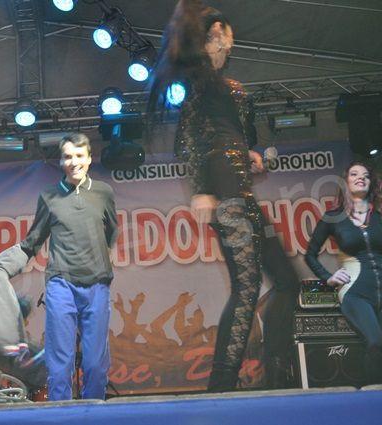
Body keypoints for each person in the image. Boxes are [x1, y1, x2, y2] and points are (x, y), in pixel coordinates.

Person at [148, 0, 299, 391]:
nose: (229, 38)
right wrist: (202, 190)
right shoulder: (200, 83)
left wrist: (249, 156)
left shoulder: (230, 88)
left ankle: (275, 372)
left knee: (287, 281)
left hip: (243, 194)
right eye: (224, 31)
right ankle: (221, 384)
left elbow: (233, 138)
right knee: (246, 287)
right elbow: (188, 142)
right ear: (216, 35)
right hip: (226, 197)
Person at [20, 133, 118, 400]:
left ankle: (93, 410)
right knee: (60, 363)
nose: (74, 162)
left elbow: (111, 230)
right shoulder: (49, 196)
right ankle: (60, 414)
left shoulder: (103, 192)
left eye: (79, 156)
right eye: (67, 157)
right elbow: (33, 240)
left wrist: (103, 258)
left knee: (95, 364)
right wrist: (4, 266)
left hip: (97, 286)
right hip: (61, 284)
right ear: (61, 161)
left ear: (89, 158)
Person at [305, 162, 382, 384]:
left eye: (366, 175)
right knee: (376, 343)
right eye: (355, 174)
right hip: (356, 292)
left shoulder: (378, 216)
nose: (361, 178)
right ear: (346, 182)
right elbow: (310, 255)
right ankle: (372, 397)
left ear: (371, 183)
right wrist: (327, 277)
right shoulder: (334, 217)